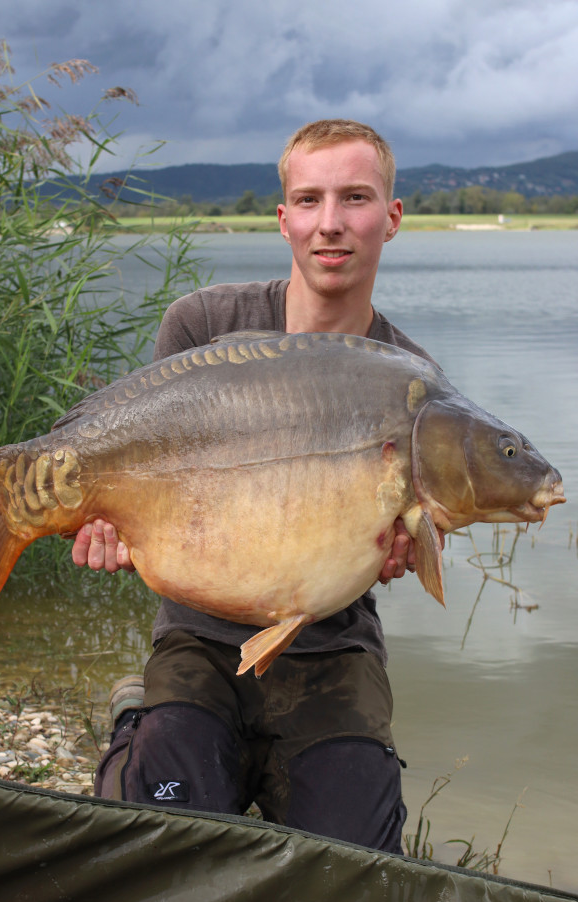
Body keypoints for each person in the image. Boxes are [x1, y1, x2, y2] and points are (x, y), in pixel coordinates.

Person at [72, 119, 441, 854]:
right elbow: (141, 466)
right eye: (308, 200)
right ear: (283, 218)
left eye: (355, 198)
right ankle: (133, 725)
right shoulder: (204, 323)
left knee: (354, 868)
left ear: (391, 217)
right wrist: (102, 518)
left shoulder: (413, 383)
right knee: (155, 844)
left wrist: (405, 547)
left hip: (331, 648)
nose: (329, 224)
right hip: (195, 637)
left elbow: (390, 537)